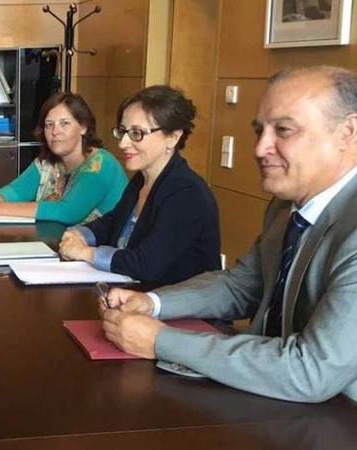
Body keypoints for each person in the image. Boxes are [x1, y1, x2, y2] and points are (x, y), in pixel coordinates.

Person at [100, 65, 357, 402]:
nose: (260, 147)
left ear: (348, 132)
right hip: (268, 402)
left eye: (283, 130)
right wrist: (153, 303)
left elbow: (310, 372)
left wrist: (161, 341)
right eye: (259, 130)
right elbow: (241, 285)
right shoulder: (284, 207)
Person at [58, 85, 220, 285]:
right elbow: (112, 223)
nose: (123, 143)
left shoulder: (187, 194)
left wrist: (86, 253)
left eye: (137, 133)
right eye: (123, 132)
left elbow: (147, 264)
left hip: (178, 311)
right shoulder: (141, 179)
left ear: (173, 137)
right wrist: (77, 234)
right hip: (132, 297)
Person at [0, 93, 127, 224]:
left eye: (64, 123)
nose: (55, 132)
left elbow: (67, 212)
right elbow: (16, 191)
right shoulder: (47, 163)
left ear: (83, 127)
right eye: (49, 125)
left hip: (105, 256)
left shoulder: (101, 164)